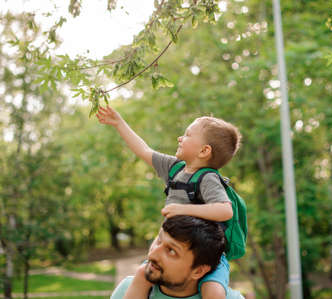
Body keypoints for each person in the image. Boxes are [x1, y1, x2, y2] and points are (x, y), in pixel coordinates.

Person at [97, 105, 242, 299]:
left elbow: (225, 211)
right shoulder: (174, 168)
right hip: (169, 245)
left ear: (204, 150)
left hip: (205, 256)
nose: (180, 138)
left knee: (213, 292)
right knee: (141, 275)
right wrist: (119, 123)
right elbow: (143, 150)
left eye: (187, 134)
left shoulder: (208, 179)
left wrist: (182, 210)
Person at [110, 215, 245, 299]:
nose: (152, 254)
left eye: (172, 251)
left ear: (198, 270)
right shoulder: (128, 289)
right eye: (158, 241)